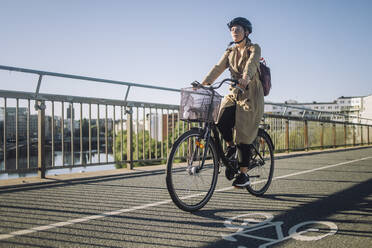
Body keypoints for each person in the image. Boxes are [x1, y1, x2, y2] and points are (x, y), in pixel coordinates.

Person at [201, 17, 264, 188]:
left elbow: (251, 65)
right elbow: (218, 68)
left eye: (238, 29)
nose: (234, 32)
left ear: (247, 32)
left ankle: (244, 174)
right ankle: (230, 147)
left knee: (243, 133)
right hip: (235, 91)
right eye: (232, 30)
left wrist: (245, 78)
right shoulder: (230, 51)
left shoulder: (254, 48)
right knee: (220, 119)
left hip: (251, 92)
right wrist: (203, 83)